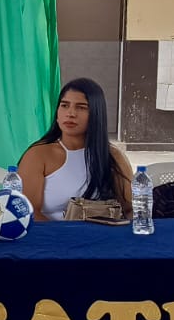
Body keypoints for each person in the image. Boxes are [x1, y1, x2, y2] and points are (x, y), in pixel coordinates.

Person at [19, 78, 133, 221]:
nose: (71, 113)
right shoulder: (37, 155)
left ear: (96, 114)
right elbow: (28, 213)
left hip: (101, 233)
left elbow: (130, 210)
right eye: (64, 105)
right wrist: (67, 233)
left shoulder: (113, 156)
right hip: (51, 233)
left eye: (81, 107)